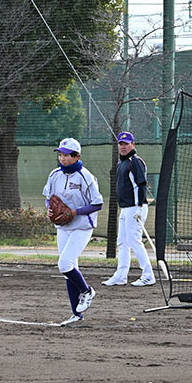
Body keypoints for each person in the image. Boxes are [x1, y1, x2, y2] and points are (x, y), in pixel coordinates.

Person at [44, 138, 104, 325]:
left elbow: (98, 203)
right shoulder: (54, 175)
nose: (62, 158)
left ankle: (87, 291)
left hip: (82, 226)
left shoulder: (85, 177)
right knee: (69, 269)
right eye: (60, 154)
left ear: (77, 156)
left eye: (66, 155)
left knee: (65, 264)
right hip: (63, 228)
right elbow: (49, 197)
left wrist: (75, 211)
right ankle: (76, 314)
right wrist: (50, 209)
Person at [103, 131, 156, 287]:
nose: (123, 146)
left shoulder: (136, 162)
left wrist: (139, 207)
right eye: (120, 144)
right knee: (122, 242)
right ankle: (121, 275)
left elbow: (141, 184)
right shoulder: (122, 164)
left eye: (126, 144)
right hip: (126, 208)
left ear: (133, 144)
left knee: (134, 241)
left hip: (135, 207)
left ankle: (148, 274)